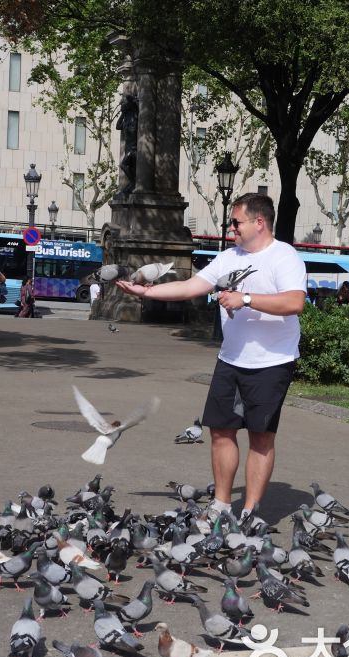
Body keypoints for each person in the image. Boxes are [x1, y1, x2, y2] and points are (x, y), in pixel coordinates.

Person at [115, 193, 307, 521]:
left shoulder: (284, 257)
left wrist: (245, 298)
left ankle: (249, 510)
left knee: (261, 437)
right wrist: (146, 292)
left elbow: (293, 303)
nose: (230, 227)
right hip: (231, 359)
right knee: (220, 430)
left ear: (259, 222)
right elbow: (192, 286)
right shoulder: (228, 256)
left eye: (236, 222)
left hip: (271, 362)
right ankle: (220, 504)